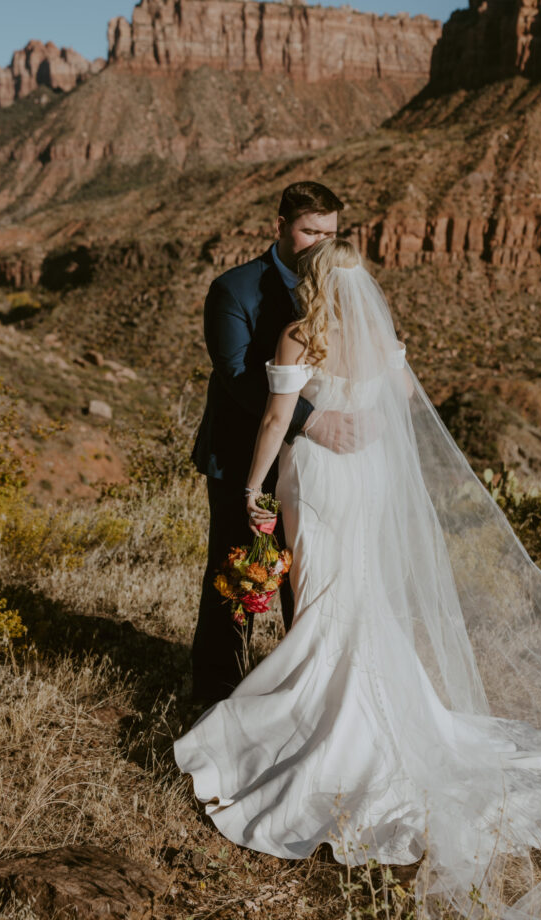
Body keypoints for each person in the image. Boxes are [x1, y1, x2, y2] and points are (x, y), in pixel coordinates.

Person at [176, 238, 541, 919]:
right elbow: (402, 399)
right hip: (367, 477)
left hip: (317, 478)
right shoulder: (376, 337)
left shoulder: (300, 334)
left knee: (323, 604)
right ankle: (375, 714)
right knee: (358, 598)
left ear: (311, 282)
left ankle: (321, 726)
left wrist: (252, 490)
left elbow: (278, 417)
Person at [190, 180, 358, 705]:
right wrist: (312, 421)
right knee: (236, 572)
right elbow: (239, 376)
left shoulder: (340, 283)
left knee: (306, 575)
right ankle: (215, 690)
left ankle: (299, 688)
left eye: (329, 232)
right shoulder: (233, 289)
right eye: (310, 231)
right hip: (245, 455)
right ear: (279, 227)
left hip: (316, 470)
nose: (319, 243)